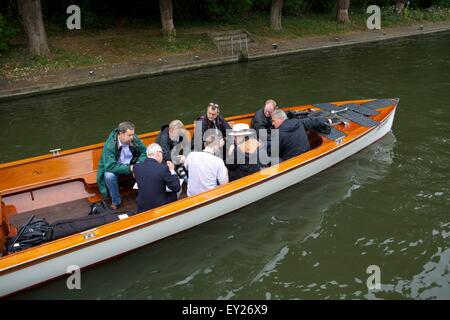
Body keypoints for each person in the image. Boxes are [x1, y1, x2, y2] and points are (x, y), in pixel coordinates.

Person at [97, 121, 147, 210]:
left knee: (146, 167)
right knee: (108, 176)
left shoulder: (134, 138)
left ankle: (145, 195)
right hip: (118, 167)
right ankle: (116, 201)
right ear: (121, 134)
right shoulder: (110, 145)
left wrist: (138, 163)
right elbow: (110, 166)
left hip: (133, 164)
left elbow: (144, 152)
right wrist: (131, 168)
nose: (132, 138)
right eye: (129, 135)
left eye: (133, 134)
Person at [133, 143, 181, 213]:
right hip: (159, 205)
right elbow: (176, 187)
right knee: (178, 189)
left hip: (142, 205)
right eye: (162, 153)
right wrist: (172, 170)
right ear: (158, 153)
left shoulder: (136, 167)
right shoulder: (162, 168)